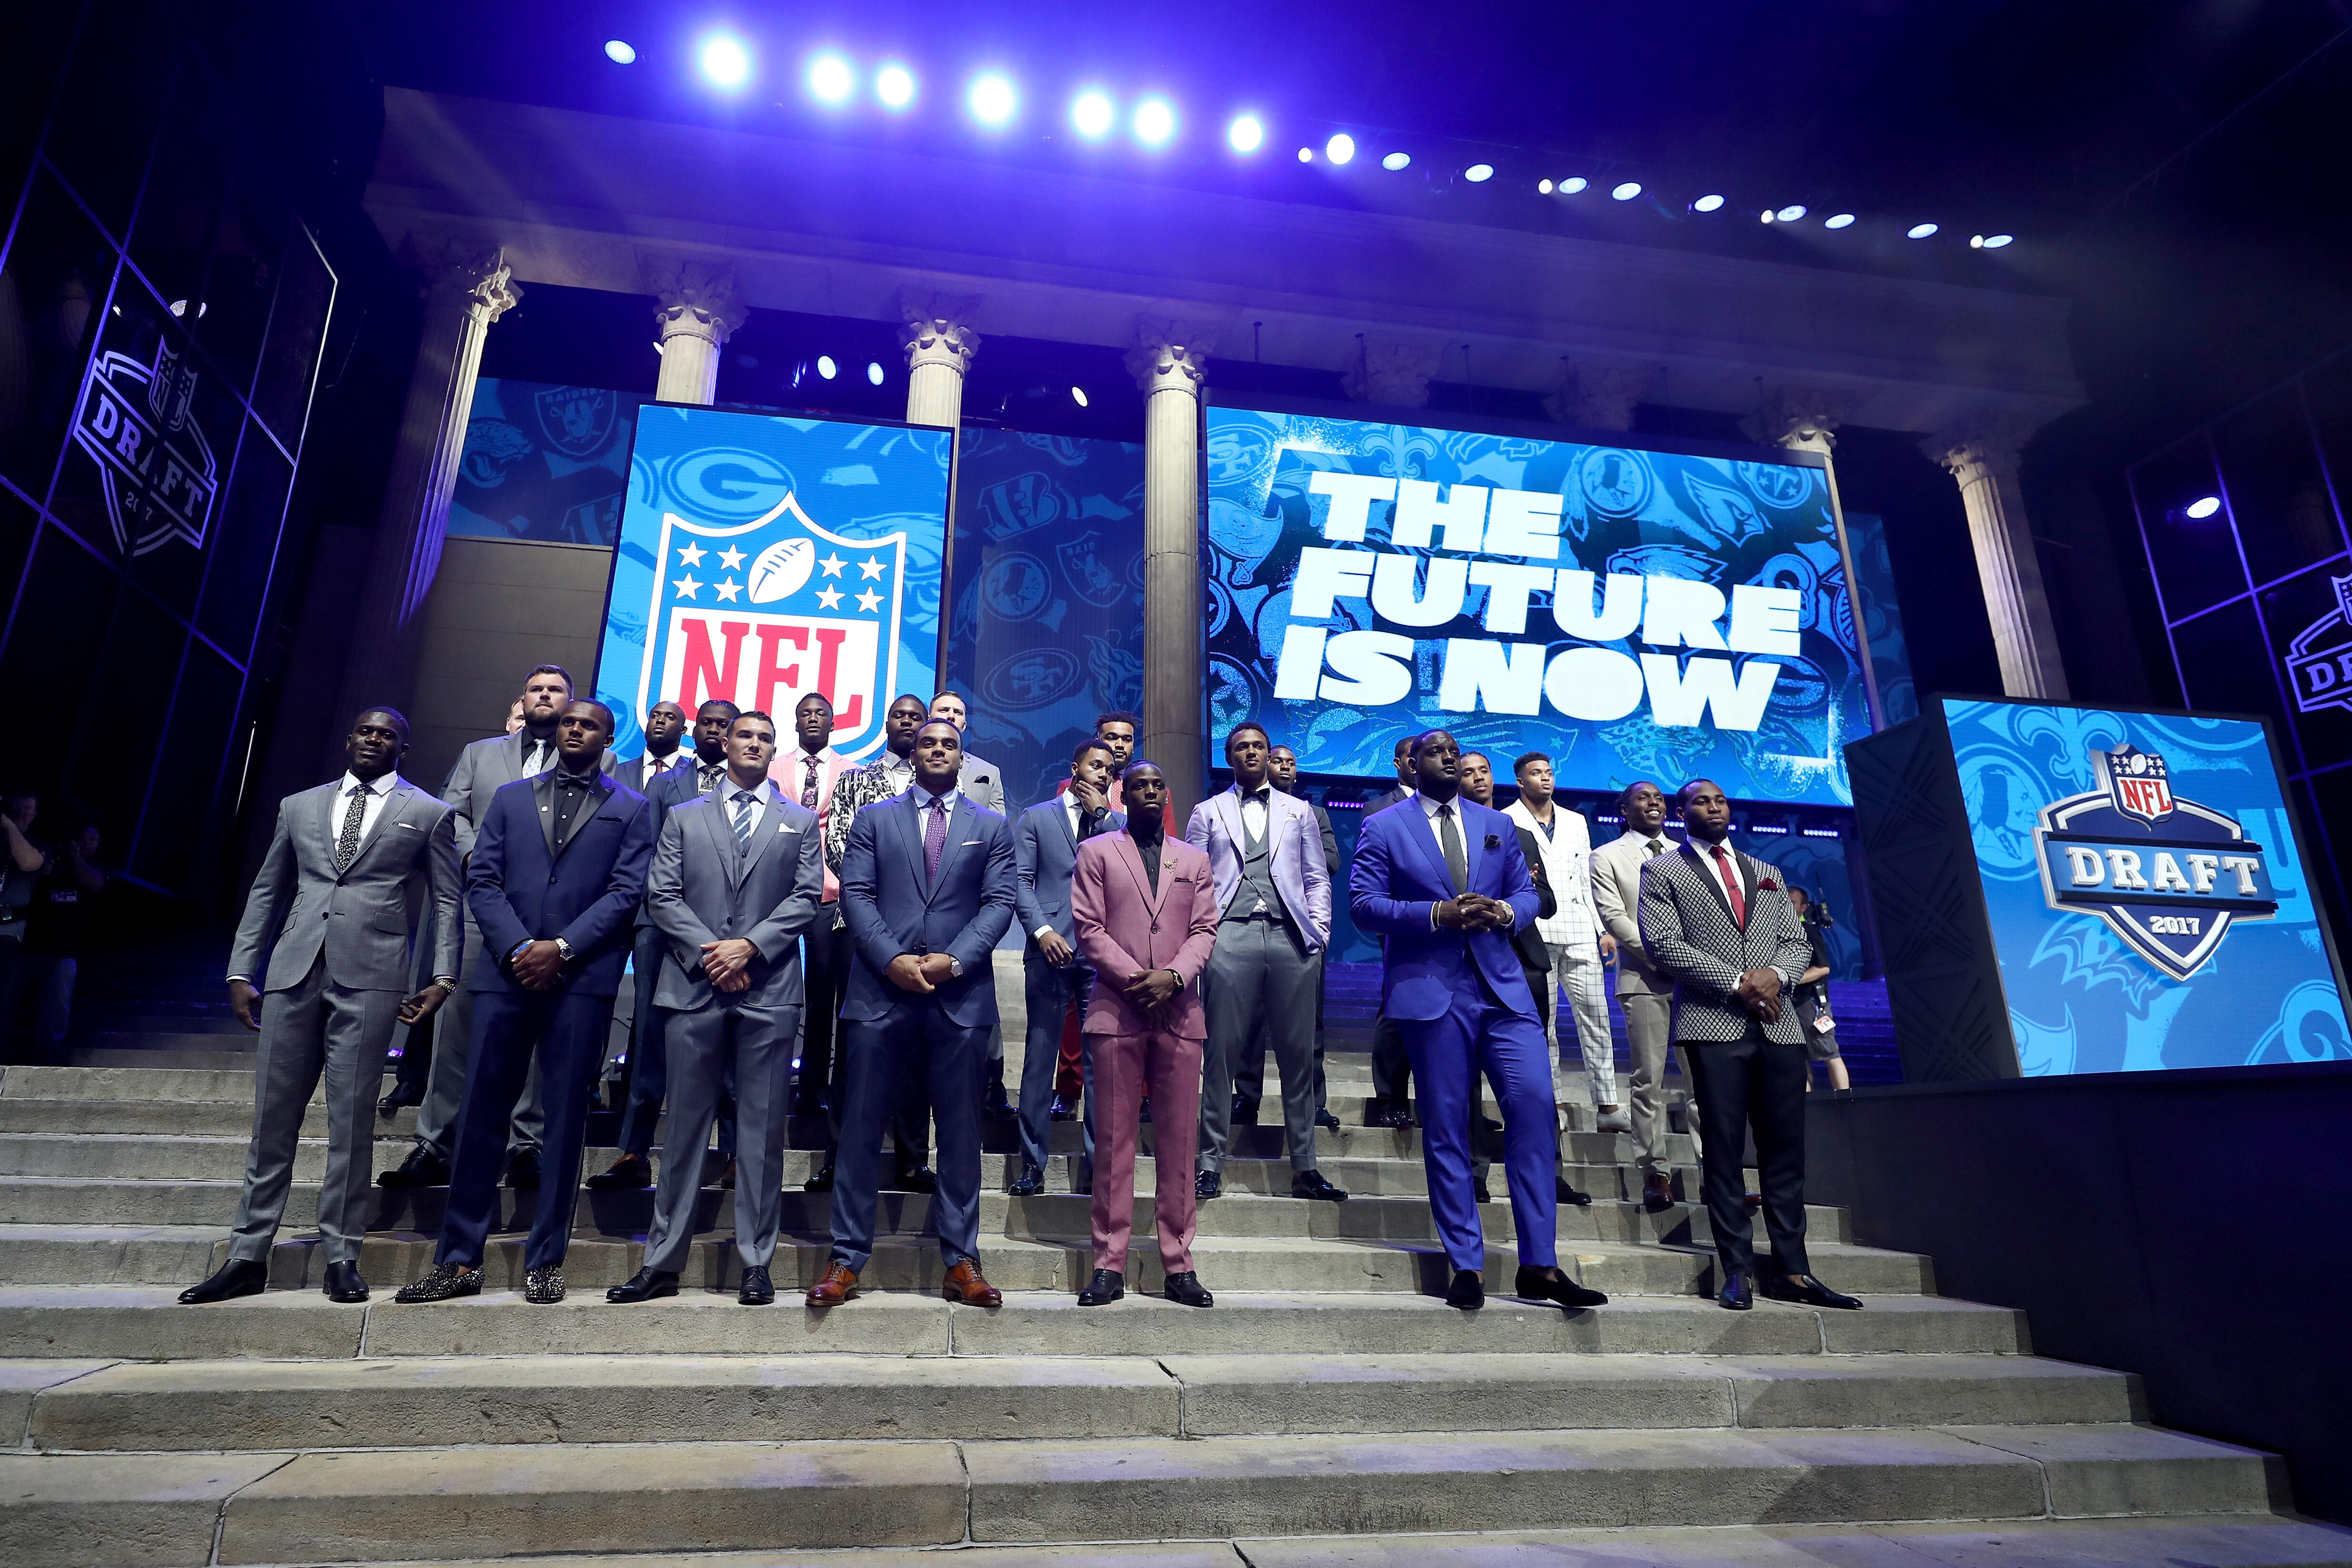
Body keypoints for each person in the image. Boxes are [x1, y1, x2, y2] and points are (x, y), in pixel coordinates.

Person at [181, 708, 461, 1306]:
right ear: (349, 738)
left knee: (352, 1122)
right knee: (272, 1122)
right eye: (365, 730)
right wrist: (240, 969)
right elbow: (267, 889)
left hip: (373, 976)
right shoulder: (299, 806)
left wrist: (444, 976)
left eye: (388, 734)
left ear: (403, 749)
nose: (374, 739)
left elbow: (446, 900)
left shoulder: (429, 813)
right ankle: (247, 1253)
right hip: (293, 971)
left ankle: (342, 1254)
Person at [397, 699, 655, 1306]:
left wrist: (561, 948)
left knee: (564, 1123)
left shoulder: (633, 808)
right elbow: (481, 880)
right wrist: (519, 947)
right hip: (506, 975)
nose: (574, 729)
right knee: (483, 1115)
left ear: (607, 738)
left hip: (581, 980)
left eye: (588, 724)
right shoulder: (512, 798)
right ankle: (458, 1261)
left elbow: (627, 893)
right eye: (568, 722)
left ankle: (546, 1260)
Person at [1348, 729, 1605, 1313]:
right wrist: (1436, 912)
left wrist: (1509, 910)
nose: (1449, 755)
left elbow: (1530, 894)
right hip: (1432, 992)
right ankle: (1466, 1261)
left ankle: (1540, 1263)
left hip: (1504, 988)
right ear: (1411, 762)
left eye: (1454, 748)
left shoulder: (1497, 826)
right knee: (1446, 1127)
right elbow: (1363, 905)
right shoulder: (1385, 825)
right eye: (1435, 749)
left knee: (1535, 1108)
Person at [608, 711, 824, 1307]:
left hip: (769, 987)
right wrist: (711, 954)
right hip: (694, 985)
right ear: (725, 744)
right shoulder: (683, 816)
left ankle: (756, 1261)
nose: (754, 744)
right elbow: (663, 893)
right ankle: (662, 1260)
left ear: (773, 751)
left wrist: (750, 946)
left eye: (765, 738)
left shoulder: (800, 821)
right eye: (745, 735)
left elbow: (806, 896)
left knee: (760, 1135)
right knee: (683, 1132)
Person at [806, 718, 1016, 1308]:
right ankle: (846, 1260)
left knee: (959, 1134)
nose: (939, 750)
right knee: (859, 1131)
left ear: (961, 754)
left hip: (959, 995)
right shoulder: (874, 819)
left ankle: (962, 1261)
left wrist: (954, 960)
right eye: (929, 742)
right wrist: (893, 958)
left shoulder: (992, 826)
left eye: (949, 743)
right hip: (880, 989)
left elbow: (1000, 903)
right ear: (914, 752)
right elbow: (856, 893)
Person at [380, 664, 617, 1186]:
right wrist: (474, 857)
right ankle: (435, 1142)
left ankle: (524, 1145)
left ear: (570, 705)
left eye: (556, 691)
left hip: (550, 922)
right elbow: (451, 815)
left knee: (537, 1033)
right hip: (478, 910)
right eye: (536, 689)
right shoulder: (480, 754)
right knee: (455, 1031)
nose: (545, 696)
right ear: (523, 698)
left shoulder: (601, 761)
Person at [1637, 779, 1859, 1313]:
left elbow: (1798, 941)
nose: (1713, 807)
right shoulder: (1661, 870)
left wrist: (1776, 976)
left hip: (1780, 1025)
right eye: (1700, 802)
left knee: (1786, 1151)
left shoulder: (1767, 873)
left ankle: (1794, 1270)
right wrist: (1741, 982)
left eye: (1720, 799)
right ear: (1680, 813)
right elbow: (1664, 945)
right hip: (1713, 1024)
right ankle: (1735, 1268)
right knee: (1723, 1151)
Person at [1069, 760, 1219, 1308]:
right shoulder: (1097, 851)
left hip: (1180, 1013)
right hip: (1119, 1009)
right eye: (1139, 785)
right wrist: (1140, 980)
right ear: (1122, 794)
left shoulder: (1194, 859)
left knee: (1179, 1146)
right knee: (1114, 1143)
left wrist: (1174, 977)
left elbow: (1205, 928)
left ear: (1167, 794)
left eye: (1159, 784)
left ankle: (1178, 1265)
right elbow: (1088, 927)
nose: (1151, 791)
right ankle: (1108, 1264)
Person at [1186, 723, 1345, 1203]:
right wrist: (1202, 939)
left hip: (1290, 938)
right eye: (1242, 747)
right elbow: (1191, 881)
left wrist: (1317, 935)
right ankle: (1210, 1162)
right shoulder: (1207, 811)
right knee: (1220, 1057)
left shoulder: (1299, 810)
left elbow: (1317, 877)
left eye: (1258, 746)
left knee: (1299, 1059)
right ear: (1230, 757)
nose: (1251, 752)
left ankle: (1306, 1167)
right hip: (1228, 935)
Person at [588, 698, 740, 1190]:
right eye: (709, 723)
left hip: (730, 936)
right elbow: (647, 856)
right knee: (649, 1036)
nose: (716, 732)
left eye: (726, 725)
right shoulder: (663, 784)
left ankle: (734, 1154)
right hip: (661, 925)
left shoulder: (757, 788)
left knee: (730, 1042)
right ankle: (634, 1151)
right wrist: (679, 921)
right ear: (695, 730)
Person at [810, 693, 939, 1193]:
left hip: (923, 934)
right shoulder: (855, 780)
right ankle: (840, 1155)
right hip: (860, 925)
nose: (907, 722)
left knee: (916, 1044)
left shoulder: (935, 787)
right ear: (885, 724)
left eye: (916, 717)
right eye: (899, 716)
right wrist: (887, 901)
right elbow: (840, 846)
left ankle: (911, 1158)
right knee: (854, 1042)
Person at [1458, 754, 1590, 1209]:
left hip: (1524, 966)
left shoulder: (1520, 835)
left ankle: (1548, 1174)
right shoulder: (1442, 839)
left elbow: (1548, 902)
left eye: (1483, 771)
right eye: (1466, 772)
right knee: (1467, 1079)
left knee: (1536, 1083)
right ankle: (1474, 1172)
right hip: (1466, 968)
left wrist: (1520, 898)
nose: (1477, 779)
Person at [1009, 739, 1125, 1196]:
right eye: (1096, 765)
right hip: (1049, 950)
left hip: (1102, 957)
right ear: (1075, 768)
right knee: (1040, 1060)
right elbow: (1018, 880)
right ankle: (1032, 1166)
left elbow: (1130, 875)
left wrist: (1105, 819)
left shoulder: (1120, 827)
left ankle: (1099, 1168)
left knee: (1102, 1065)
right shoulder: (1037, 817)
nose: (1102, 774)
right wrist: (1041, 932)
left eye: (1110, 771)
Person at [1589, 779, 1702, 1210]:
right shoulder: (1607, 856)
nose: (1653, 803)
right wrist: (1666, 957)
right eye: (1643, 797)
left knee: (1703, 1083)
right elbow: (1614, 917)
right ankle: (1655, 1172)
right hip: (1644, 980)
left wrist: (1696, 964)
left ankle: (1717, 1173)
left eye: (1659, 798)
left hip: (1697, 982)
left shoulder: (1687, 853)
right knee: (1647, 1081)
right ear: (1625, 809)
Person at [1502, 753, 1626, 1135]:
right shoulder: (1507, 819)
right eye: (1536, 774)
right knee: (1545, 1025)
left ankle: (1607, 1104)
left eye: (1549, 773)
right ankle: (1552, 1102)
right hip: (1534, 932)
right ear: (1521, 781)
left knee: (1597, 1018)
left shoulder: (1575, 820)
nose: (1545, 779)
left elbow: (1584, 879)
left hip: (1578, 930)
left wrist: (1601, 928)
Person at [769, 691, 856, 1118]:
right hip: (778, 892)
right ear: (796, 722)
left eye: (822, 712)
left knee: (825, 995)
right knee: (774, 992)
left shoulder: (853, 772)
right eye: (806, 713)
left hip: (831, 892)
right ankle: (768, 1078)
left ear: (834, 722)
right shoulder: (773, 768)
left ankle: (815, 1087)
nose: (814, 718)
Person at [1268, 744, 1343, 1132]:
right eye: (1277, 760)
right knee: (1247, 1026)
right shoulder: (1237, 814)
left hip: (1301, 928)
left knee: (1310, 1023)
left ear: (1297, 774)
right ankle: (1245, 1098)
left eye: (1291, 762)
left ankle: (1315, 1104)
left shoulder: (1314, 814)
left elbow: (1330, 862)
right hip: (1251, 927)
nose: (1284, 765)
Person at [1360, 734, 1418, 1128]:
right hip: (1400, 924)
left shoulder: (1461, 809)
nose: (1420, 763)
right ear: (1397, 764)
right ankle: (1390, 1097)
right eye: (1412, 758)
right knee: (1395, 1012)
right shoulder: (1378, 809)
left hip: (1451, 929)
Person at [19, 816, 105, 1053]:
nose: (86, 843)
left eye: (92, 840)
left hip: (66, 949)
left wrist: (77, 858)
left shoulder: (95, 870)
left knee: (58, 999)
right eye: (82, 839)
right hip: (30, 943)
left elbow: (96, 885)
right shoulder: (52, 860)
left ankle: (51, 1046)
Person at [1787, 886, 1850, 1092]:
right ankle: (1807, 1107)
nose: (1787, 906)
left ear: (1804, 907)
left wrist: (1789, 979)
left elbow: (1823, 968)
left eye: (1793, 903)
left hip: (1811, 1003)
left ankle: (1845, 1101)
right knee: (1795, 1058)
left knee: (1829, 1052)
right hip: (1789, 1004)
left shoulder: (1809, 932)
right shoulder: (1781, 933)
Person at [0, 792, 47, 1048]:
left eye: (30, 809)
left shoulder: (37, 843)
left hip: (9, 930)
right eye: (18, 808)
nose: (23, 813)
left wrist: (9, 826)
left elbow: (29, 862)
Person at [928, 690, 1005, 815]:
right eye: (944, 710)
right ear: (929, 719)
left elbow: (998, 827)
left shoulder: (989, 772)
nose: (951, 716)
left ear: (964, 725)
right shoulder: (914, 764)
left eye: (958, 712)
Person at [623, 701, 690, 792]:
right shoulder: (619, 771)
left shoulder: (692, 776)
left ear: (683, 730)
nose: (660, 721)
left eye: (670, 718)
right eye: (655, 716)